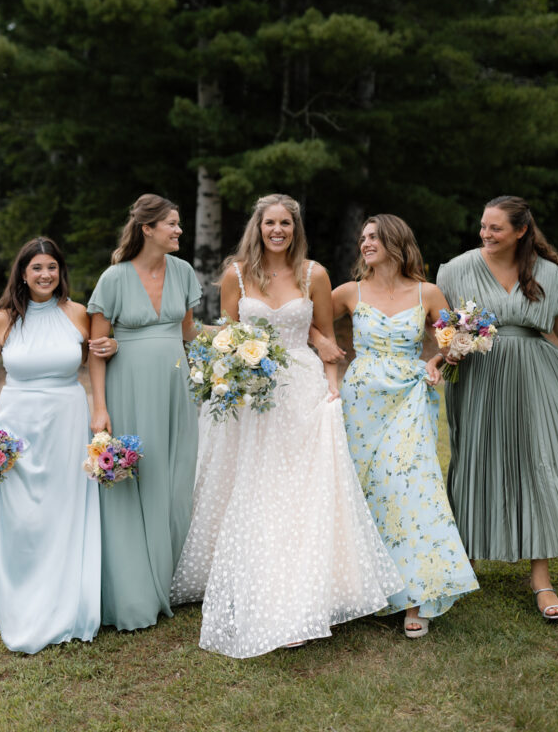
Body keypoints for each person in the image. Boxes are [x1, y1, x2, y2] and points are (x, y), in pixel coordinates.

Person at [171, 193, 404, 657]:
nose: (277, 230)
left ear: (296, 229)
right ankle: (253, 582)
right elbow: (228, 329)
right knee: (254, 489)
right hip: (251, 394)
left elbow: (326, 333)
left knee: (297, 491)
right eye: (270, 223)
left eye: (286, 224)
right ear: (258, 227)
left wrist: (333, 386)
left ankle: (304, 589)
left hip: (302, 387)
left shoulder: (313, 273)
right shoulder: (235, 273)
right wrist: (222, 365)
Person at [434, 195, 558, 620]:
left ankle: (541, 579)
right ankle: (462, 564)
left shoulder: (549, 274)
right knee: (472, 461)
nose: (486, 234)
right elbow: (437, 324)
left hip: (535, 376)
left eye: (495, 227)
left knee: (536, 465)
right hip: (478, 378)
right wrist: (446, 349)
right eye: (483, 226)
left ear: (521, 230)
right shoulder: (456, 269)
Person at [315, 215, 478, 639]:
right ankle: (364, 589)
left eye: (373, 237)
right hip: (361, 399)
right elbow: (308, 323)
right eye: (362, 237)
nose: (364, 242)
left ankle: (417, 595)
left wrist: (439, 359)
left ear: (395, 241)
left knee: (412, 487)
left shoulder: (427, 292)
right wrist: (325, 346)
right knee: (365, 488)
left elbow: (457, 336)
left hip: (410, 395)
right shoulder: (348, 292)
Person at [0, 236, 102, 653]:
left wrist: (111, 346)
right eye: (37, 268)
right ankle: (22, 610)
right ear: (23, 274)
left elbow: (98, 358)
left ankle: (66, 607)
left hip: (67, 420)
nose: (45, 275)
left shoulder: (79, 314)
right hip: (18, 425)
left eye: (52, 267)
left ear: (61, 272)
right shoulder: (3, 320)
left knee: (64, 513)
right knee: (23, 519)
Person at [88, 193, 202, 631]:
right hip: (128, 390)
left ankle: (170, 580)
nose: (178, 231)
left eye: (179, 224)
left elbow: (191, 331)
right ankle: (134, 592)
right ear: (148, 229)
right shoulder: (114, 279)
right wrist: (100, 408)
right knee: (136, 482)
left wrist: (244, 342)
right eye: (171, 224)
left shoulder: (184, 272)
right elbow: (97, 350)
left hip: (177, 388)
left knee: (176, 481)